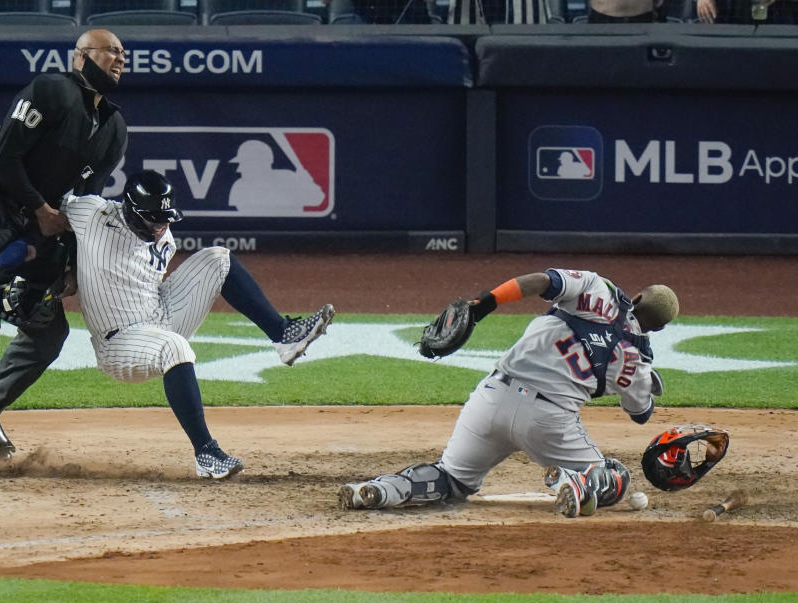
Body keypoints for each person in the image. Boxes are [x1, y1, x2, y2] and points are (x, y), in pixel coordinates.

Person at [0, 29, 130, 474]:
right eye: (111, 51)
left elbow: (85, 204)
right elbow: (3, 158)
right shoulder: (51, 90)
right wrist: (41, 209)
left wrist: (71, 264)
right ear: (81, 57)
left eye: (123, 53)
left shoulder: (113, 126)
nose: (120, 58)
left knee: (47, 333)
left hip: (34, 238)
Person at [54, 170, 335, 478]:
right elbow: (51, 206)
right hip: (120, 343)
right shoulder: (94, 213)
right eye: (154, 219)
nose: (161, 226)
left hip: (160, 315)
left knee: (218, 258)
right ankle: (206, 453)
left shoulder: (164, 236)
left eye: (165, 219)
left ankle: (284, 336)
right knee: (174, 347)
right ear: (132, 212)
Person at [339, 268, 679, 518]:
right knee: (615, 475)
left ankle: (381, 490)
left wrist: (483, 304)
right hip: (549, 421)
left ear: (636, 297)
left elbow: (542, 282)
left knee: (452, 479)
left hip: (491, 398)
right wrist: (642, 381)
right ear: (661, 328)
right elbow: (640, 414)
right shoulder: (639, 362)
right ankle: (576, 482)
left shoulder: (598, 288)